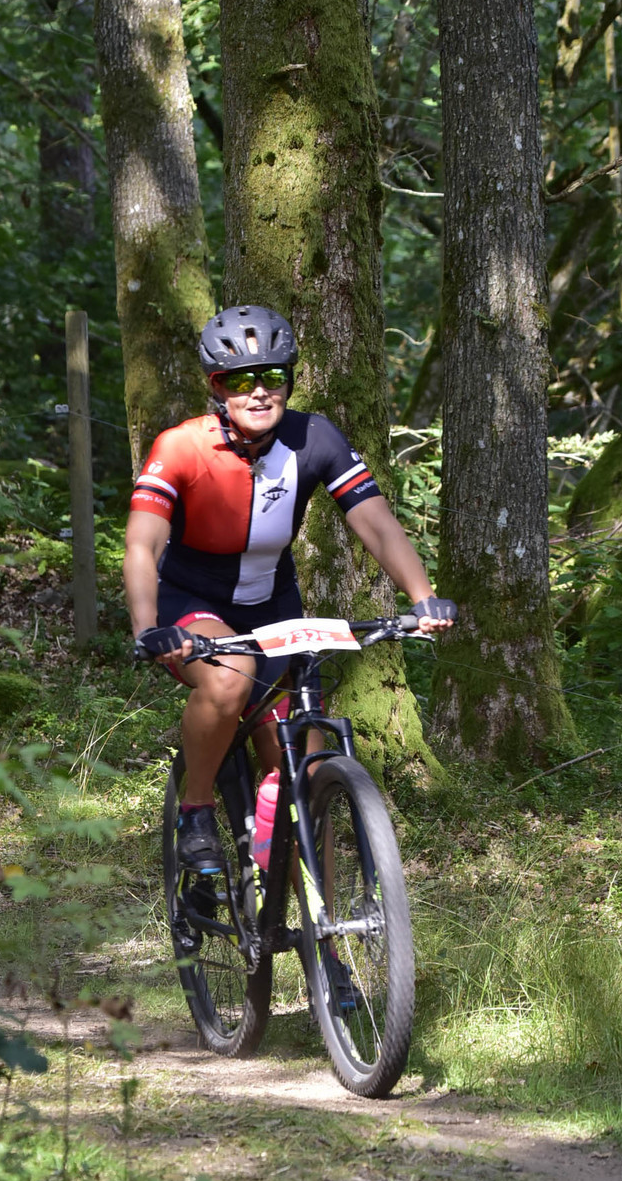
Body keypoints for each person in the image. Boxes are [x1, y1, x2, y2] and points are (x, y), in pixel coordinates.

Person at [124, 304, 455, 870]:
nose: (259, 391)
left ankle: (318, 917)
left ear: (290, 381)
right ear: (217, 387)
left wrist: (422, 598)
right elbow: (142, 544)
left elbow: (376, 523)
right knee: (232, 677)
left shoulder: (314, 437)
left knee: (305, 770)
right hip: (191, 601)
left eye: (273, 376)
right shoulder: (181, 446)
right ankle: (196, 811)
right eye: (240, 381)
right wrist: (147, 627)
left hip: (274, 606)